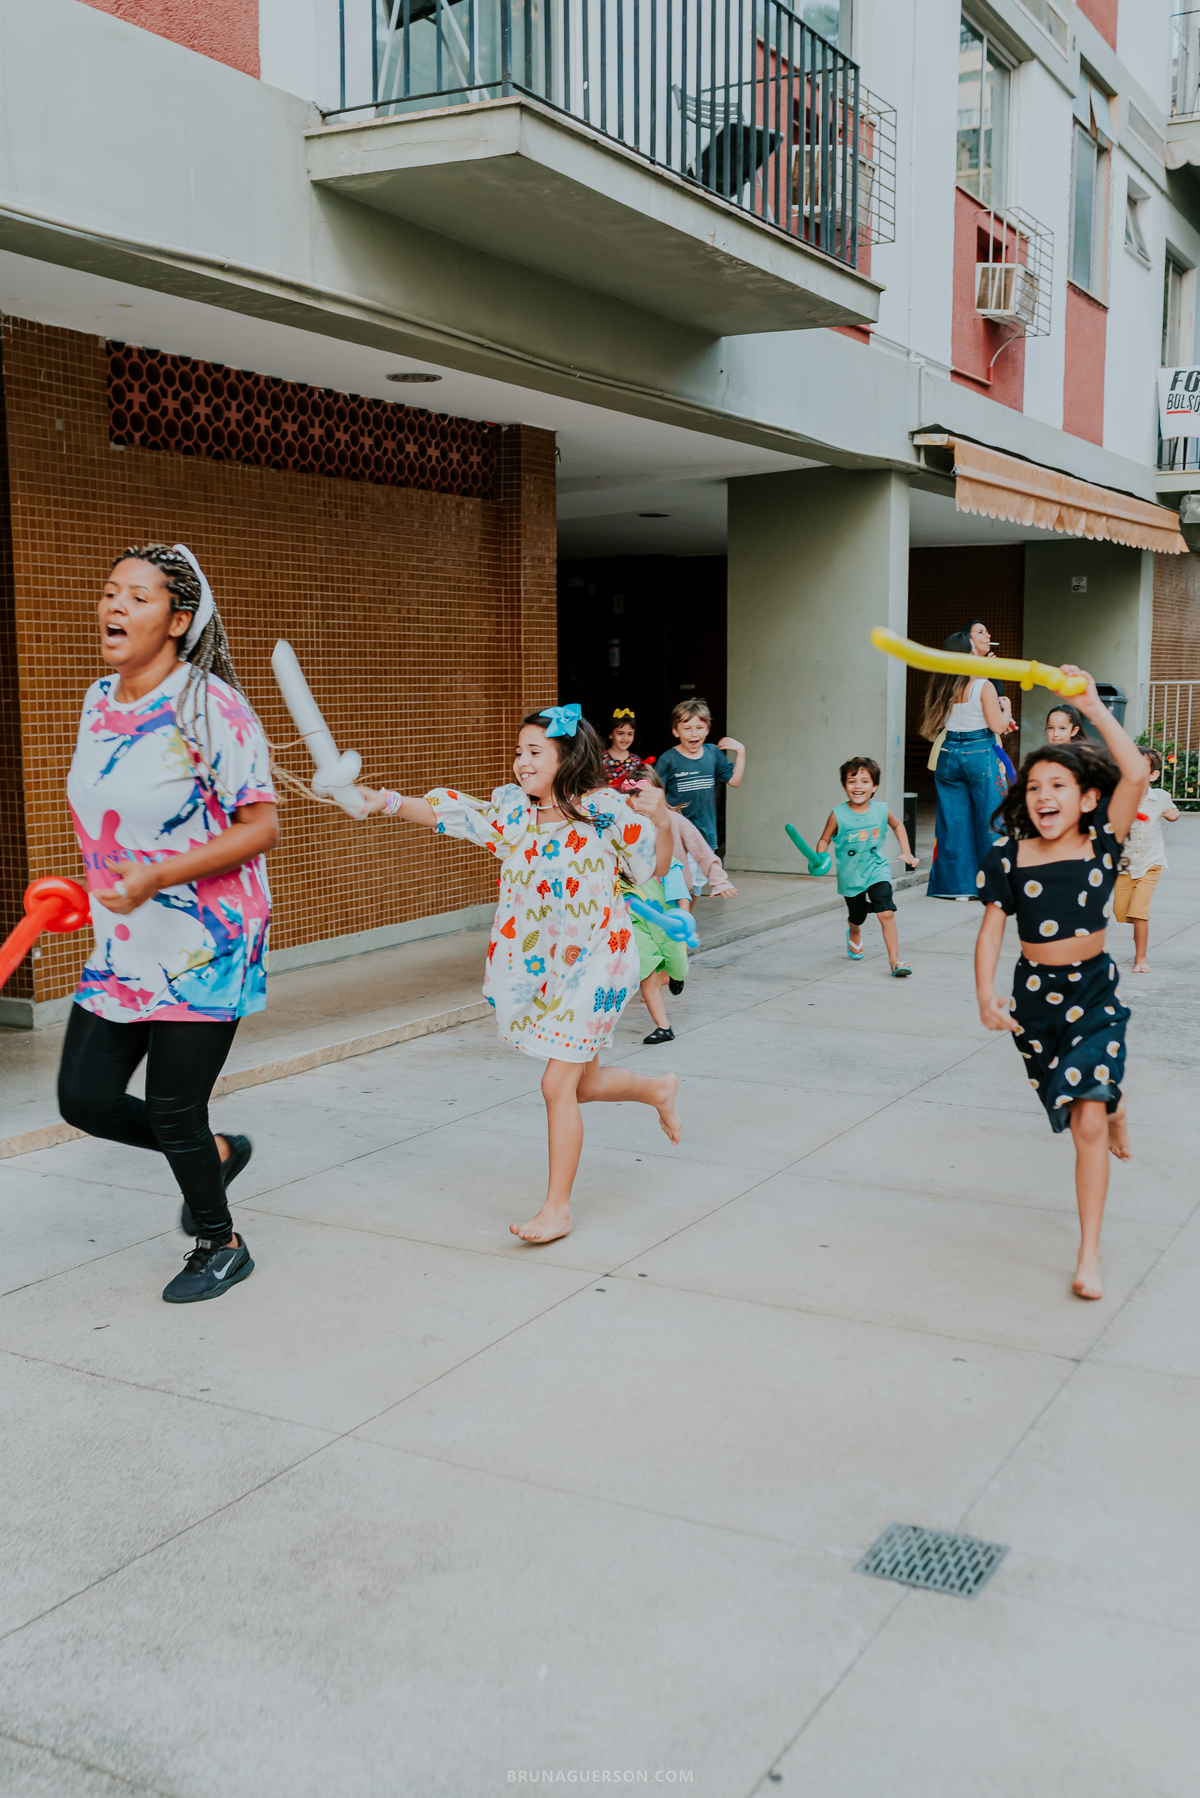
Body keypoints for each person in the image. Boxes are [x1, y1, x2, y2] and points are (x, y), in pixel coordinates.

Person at [355, 704, 681, 1244]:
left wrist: (663, 817)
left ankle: (557, 1210)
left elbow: (657, 865)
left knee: (557, 1084)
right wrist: (384, 801)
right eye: (519, 751)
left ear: (566, 756)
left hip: (603, 959)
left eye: (535, 751)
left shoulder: (602, 810)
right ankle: (656, 1090)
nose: (520, 761)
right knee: (586, 1083)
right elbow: (453, 815)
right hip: (550, 966)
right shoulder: (513, 814)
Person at [57, 545, 277, 1304]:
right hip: (124, 939)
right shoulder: (97, 699)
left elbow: (259, 827)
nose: (115, 606)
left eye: (138, 597)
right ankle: (215, 1153)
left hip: (208, 939)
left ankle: (222, 1243)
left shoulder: (209, 706)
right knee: (83, 1099)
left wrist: (157, 875)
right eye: (110, 591)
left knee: (172, 1105)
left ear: (178, 620)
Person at [974, 668, 1145, 1301]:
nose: (1045, 795)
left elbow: (1135, 774)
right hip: (1034, 1005)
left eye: (1059, 784)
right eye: (1035, 785)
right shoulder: (1008, 858)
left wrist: (1093, 709)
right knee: (1083, 1100)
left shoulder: (1103, 843)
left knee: (1087, 1121)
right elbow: (992, 932)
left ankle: (1089, 1253)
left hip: (1093, 995)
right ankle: (1113, 1099)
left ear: (1087, 798)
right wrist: (985, 994)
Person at [626, 767, 737, 1042]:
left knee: (676, 964)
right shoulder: (623, 833)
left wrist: (718, 880)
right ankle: (663, 1025)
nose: (641, 804)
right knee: (647, 971)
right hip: (638, 915)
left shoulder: (674, 825)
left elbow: (702, 852)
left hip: (671, 905)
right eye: (634, 797)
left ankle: (675, 974)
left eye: (646, 796)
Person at [921, 632, 1009, 899]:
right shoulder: (984, 686)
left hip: (949, 753)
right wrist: (1007, 711)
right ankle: (994, 887)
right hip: (980, 752)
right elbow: (998, 727)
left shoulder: (942, 686)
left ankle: (956, 889)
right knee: (991, 819)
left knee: (954, 823)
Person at [815, 756, 920, 975]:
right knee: (858, 915)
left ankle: (895, 961)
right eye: (852, 781)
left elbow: (898, 825)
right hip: (851, 875)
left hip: (877, 869)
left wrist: (907, 851)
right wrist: (820, 856)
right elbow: (825, 839)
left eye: (864, 781)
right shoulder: (838, 814)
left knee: (886, 912)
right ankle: (854, 930)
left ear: (875, 786)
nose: (858, 786)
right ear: (845, 787)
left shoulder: (881, 810)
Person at [1113, 747, 1178, 972]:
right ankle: (1138, 915)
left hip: (1151, 863)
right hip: (1125, 865)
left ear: (1153, 775)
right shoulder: (1119, 796)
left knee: (1139, 915)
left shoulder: (1160, 797)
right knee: (1121, 914)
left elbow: (1173, 811)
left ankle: (1141, 959)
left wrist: (1173, 815)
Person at [655, 698, 745, 852]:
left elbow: (735, 781)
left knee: (704, 876)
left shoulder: (714, 754)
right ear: (676, 731)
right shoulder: (668, 759)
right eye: (687, 728)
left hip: (706, 836)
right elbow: (655, 794)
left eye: (699, 727)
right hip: (677, 835)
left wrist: (741, 751)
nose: (694, 733)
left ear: (707, 730)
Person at [963, 618, 1020, 785]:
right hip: (964, 743)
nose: (988, 636)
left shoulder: (990, 668)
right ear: (967, 640)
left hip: (990, 742)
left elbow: (997, 703)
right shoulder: (958, 668)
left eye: (987, 632)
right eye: (980, 632)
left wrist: (1006, 719)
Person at [601, 709, 648, 792]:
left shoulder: (636, 760)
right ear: (611, 734)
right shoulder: (600, 759)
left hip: (630, 803)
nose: (625, 738)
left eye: (630, 734)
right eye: (620, 733)